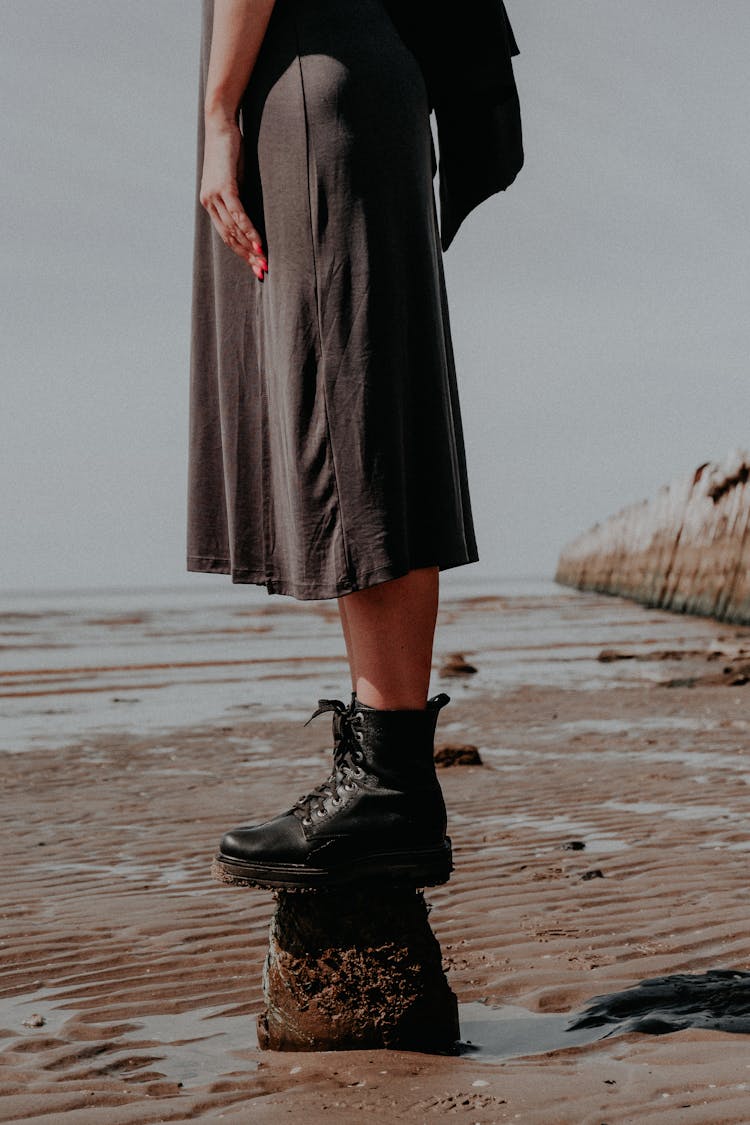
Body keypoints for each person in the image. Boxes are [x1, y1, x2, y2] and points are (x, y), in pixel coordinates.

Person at [189, 0, 523, 891]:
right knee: (384, 417)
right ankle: (397, 776)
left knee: (354, 426)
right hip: (376, 85)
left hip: (312, 82)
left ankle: (384, 781)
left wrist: (219, 113)